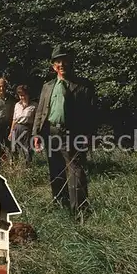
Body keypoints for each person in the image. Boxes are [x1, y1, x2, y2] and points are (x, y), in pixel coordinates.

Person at [32, 45, 97, 223]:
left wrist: (88, 136)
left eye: (64, 60)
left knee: (76, 172)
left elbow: (92, 114)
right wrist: (36, 134)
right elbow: (40, 111)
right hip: (51, 133)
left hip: (74, 134)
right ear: (53, 66)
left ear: (70, 62)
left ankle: (80, 212)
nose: (62, 64)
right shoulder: (47, 87)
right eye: (58, 61)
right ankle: (60, 206)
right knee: (55, 170)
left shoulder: (83, 86)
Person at [9, 84, 37, 165]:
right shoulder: (17, 105)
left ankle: (27, 166)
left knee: (26, 148)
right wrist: (11, 132)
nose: (22, 97)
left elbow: (36, 121)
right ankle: (14, 165)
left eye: (24, 95)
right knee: (14, 148)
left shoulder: (34, 106)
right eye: (20, 95)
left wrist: (35, 134)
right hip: (16, 127)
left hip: (27, 129)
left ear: (28, 95)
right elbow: (14, 119)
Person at [0, 78, 17, 164]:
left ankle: (11, 164)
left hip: (8, 126)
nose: (2, 88)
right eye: (0, 86)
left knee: (9, 146)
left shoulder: (11, 98)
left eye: (3, 86)